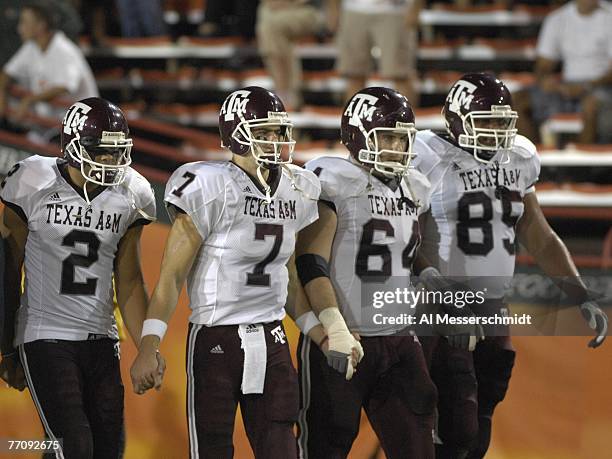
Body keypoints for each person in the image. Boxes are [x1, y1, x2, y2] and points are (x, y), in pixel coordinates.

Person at [412, 72, 608, 459]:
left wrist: (579, 294)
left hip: (493, 306)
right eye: (485, 121)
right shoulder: (427, 155)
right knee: (456, 417)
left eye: (502, 122)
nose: (496, 131)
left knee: (483, 410)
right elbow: (409, 237)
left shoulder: (518, 156)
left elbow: (537, 231)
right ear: (455, 119)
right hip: (441, 305)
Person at [130, 86, 325, 458]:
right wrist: (149, 345)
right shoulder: (208, 185)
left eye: (278, 131)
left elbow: (287, 276)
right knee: (213, 451)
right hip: (216, 339)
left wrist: (320, 334)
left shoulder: (298, 187)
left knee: (282, 449)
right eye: (264, 131)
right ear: (237, 133)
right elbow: (170, 278)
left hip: (273, 339)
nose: (276, 140)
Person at [0, 97, 162, 458]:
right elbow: (8, 269)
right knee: (73, 445)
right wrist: (7, 347)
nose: (110, 161)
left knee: (106, 450)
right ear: (72, 145)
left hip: (102, 337)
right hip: (45, 334)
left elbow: (131, 279)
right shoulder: (33, 179)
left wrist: (148, 346)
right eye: (101, 151)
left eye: (116, 152)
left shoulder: (131, 192)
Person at [294, 87, 437, 458]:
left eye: (403, 138)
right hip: (346, 339)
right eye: (387, 136)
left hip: (400, 338)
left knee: (418, 445)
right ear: (357, 135)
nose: (397, 146)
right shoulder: (333, 178)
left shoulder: (415, 186)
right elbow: (311, 261)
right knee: (326, 446)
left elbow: (407, 254)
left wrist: (438, 283)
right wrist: (334, 328)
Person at [515, 0, 612, 144]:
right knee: (517, 100)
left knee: (591, 105)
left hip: (601, 86)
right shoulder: (557, 18)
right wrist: (545, 81)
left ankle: (584, 163)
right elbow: (543, 65)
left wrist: (586, 86)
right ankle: (533, 159)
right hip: (565, 87)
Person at [0, 3, 98, 127]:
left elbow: (66, 86)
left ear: (41, 25)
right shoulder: (31, 47)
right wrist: (1, 92)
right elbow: (7, 73)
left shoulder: (64, 49)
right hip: (53, 124)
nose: (20, 28)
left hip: (84, 127)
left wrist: (30, 100)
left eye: (25, 22)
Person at [329, 0, 424, 106]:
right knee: (354, 75)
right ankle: (352, 121)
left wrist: (416, 8)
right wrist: (333, 9)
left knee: (401, 74)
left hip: (395, 10)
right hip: (352, 9)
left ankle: (407, 120)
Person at [256, 0, 326, 110]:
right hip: (272, 13)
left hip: (308, 10)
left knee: (269, 27)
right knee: (268, 24)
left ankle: (283, 94)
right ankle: (288, 95)